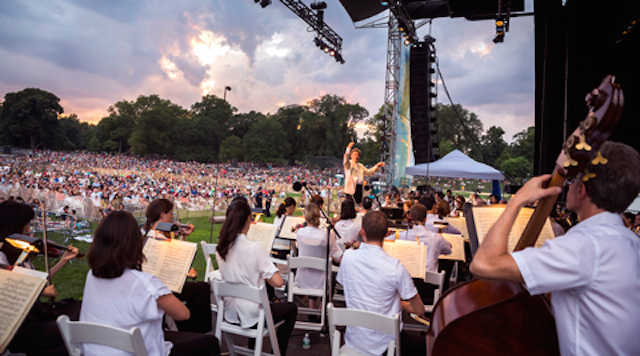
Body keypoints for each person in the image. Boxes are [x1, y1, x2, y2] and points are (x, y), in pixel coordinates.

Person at [470, 141, 640, 356]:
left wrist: (517, 201)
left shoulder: (583, 246)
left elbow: (483, 265)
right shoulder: (631, 242)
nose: (567, 185)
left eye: (571, 180)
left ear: (581, 190)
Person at [81, 211, 219, 356]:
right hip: (136, 351)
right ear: (134, 243)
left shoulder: (91, 276)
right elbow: (183, 314)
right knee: (210, 343)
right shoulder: (145, 283)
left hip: (97, 350)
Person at [337, 211, 426, 355]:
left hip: (355, 340)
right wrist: (400, 303)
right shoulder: (395, 267)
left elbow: (347, 285)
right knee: (428, 346)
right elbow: (419, 310)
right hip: (386, 345)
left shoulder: (348, 257)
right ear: (387, 234)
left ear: (362, 231)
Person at [216, 200, 297, 356]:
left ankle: (253, 349)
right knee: (291, 309)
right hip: (253, 314)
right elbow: (278, 282)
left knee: (259, 299)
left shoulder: (221, 247)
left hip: (230, 312)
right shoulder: (254, 248)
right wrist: (263, 271)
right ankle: (277, 352)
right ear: (248, 219)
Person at [1, 200, 81, 355]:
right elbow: (7, 290)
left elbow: (38, 279)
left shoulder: (20, 251)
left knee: (78, 307)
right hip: (21, 325)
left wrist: (63, 260)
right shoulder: (2, 256)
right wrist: (42, 292)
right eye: (27, 225)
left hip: (36, 312)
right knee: (70, 332)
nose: (29, 230)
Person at [144, 199, 211, 334]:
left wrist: (183, 238)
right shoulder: (158, 239)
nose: (172, 218)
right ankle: (193, 330)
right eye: (170, 214)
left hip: (155, 284)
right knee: (202, 289)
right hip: (162, 286)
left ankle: (188, 327)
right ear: (162, 215)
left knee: (197, 288)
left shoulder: (148, 236)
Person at [296, 202, 343, 310]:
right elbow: (337, 255)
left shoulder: (300, 233)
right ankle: (321, 309)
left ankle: (313, 308)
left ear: (305, 217)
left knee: (313, 273)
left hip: (302, 279)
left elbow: (299, 248)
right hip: (321, 280)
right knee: (329, 277)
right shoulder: (327, 234)